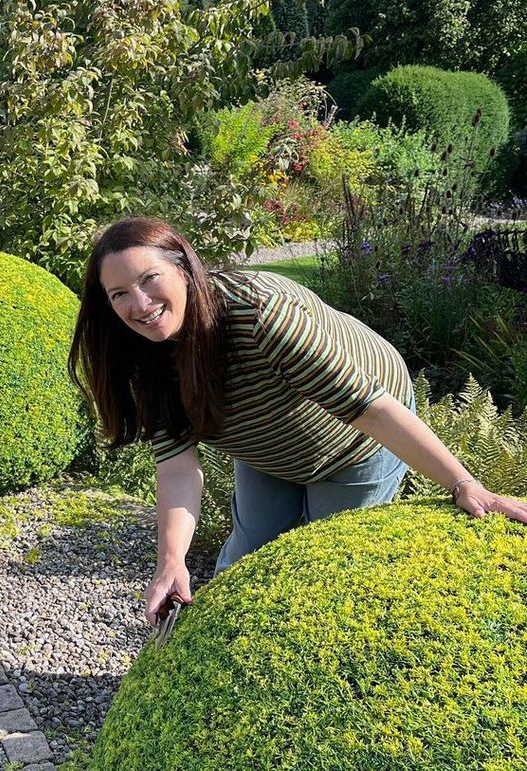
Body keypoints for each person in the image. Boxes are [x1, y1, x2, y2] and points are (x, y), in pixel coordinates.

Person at [68, 216, 527, 626]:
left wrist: (465, 486)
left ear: (186, 269)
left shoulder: (261, 316)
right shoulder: (136, 353)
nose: (141, 303)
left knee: (328, 569)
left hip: (353, 437)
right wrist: (171, 561)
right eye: (120, 294)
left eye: (150, 279)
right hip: (264, 440)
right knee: (246, 563)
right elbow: (177, 467)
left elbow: (372, 409)